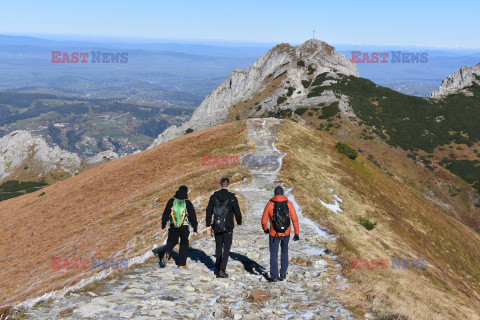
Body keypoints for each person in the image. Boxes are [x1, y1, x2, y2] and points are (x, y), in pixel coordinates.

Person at [152, 185, 198, 268]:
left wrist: (163, 225)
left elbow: (165, 213)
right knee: (184, 244)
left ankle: (165, 254)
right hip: (184, 226)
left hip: (173, 226)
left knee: (171, 242)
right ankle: (182, 264)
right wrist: (195, 228)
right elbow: (192, 216)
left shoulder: (171, 201)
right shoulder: (187, 202)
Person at [261, 186, 300, 282]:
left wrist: (266, 229)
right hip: (286, 233)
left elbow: (263, 221)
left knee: (273, 254)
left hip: (274, 234)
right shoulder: (289, 204)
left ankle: (274, 276)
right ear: (283, 193)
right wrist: (296, 233)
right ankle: (283, 274)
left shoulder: (270, 204)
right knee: (284, 252)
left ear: (274, 194)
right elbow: (294, 219)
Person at [206, 178, 242, 278]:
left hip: (217, 225)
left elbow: (208, 211)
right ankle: (222, 269)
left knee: (218, 246)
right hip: (228, 226)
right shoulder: (232, 197)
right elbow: (237, 211)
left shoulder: (213, 197)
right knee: (226, 248)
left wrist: (208, 225)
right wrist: (239, 222)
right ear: (228, 186)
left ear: (220, 185)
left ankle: (217, 267)